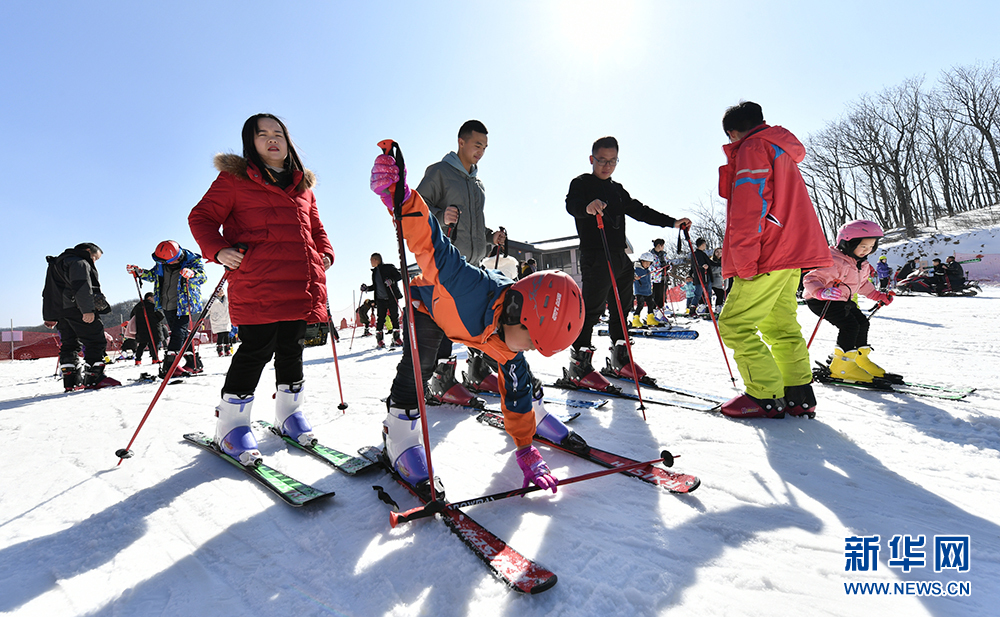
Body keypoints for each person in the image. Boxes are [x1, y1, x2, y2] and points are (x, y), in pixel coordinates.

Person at [370, 152, 584, 500]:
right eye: (531, 340)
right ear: (516, 311)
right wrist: (399, 195)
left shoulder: (511, 341)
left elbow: (513, 394)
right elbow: (430, 240)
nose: (527, 348)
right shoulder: (464, 283)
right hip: (432, 307)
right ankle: (399, 436)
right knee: (418, 367)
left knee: (520, 376)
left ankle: (538, 413)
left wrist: (526, 449)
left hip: (478, 327)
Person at [188, 113, 335, 466]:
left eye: (278, 133)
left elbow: (316, 227)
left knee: (292, 349)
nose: (272, 140)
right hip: (259, 281)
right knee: (256, 349)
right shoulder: (234, 180)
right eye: (262, 135)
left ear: (288, 141)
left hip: (300, 282)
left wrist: (325, 252)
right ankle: (232, 425)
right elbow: (202, 218)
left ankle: (289, 414)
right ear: (250, 143)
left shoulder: (303, 187)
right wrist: (218, 249)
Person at [716, 101, 832, 419]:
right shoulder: (780, 149)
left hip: (767, 253)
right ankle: (798, 393)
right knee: (779, 325)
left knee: (735, 324)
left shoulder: (752, 148)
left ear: (733, 132)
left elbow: (748, 209)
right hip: (790, 254)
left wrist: (745, 260)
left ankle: (763, 394)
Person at [562, 136, 691, 390]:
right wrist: (587, 207)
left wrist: (672, 222)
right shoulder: (581, 183)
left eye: (612, 161)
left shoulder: (617, 189)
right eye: (602, 160)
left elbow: (641, 211)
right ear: (592, 159)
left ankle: (620, 358)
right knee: (592, 309)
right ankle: (579, 365)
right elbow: (571, 205)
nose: (607, 165)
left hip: (620, 257)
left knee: (622, 308)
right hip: (596, 255)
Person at [415, 120, 508, 384]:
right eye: (477, 144)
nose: (481, 151)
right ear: (461, 142)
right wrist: (441, 215)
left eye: (485, 147)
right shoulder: (440, 172)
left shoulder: (477, 183)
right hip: (447, 261)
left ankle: (477, 369)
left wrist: (491, 237)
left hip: (474, 263)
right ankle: (441, 378)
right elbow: (416, 210)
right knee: (447, 321)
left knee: (478, 317)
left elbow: (473, 223)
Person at [803, 220, 897, 383]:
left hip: (842, 299)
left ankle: (859, 359)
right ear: (847, 243)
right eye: (863, 246)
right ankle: (842, 366)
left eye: (871, 247)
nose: (867, 250)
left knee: (862, 323)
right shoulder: (834, 260)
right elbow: (811, 278)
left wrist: (877, 295)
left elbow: (861, 285)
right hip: (822, 300)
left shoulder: (861, 264)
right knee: (850, 325)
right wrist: (821, 291)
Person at [42, 243, 120, 391]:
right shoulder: (79, 262)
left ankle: (70, 381)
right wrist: (88, 310)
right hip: (78, 309)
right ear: (88, 251)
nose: (94, 262)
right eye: (95, 258)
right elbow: (81, 286)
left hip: (61, 313)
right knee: (95, 340)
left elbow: (48, 291)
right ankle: (95, 378)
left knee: (69, 344)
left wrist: (49, 315)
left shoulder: (56, 263)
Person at [127, 240, 207, 377]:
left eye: (167, 262)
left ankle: (170, 365)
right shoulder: (161, 262)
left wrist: (192, 274)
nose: (164, 264)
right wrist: (139, 272)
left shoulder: (192, 261)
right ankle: (193, 363)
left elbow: (203, 277)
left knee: (178, 333)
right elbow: (152, 275)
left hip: (184, 304)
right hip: (166, 304)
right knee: (182, 334)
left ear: (176, 257)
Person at [361, 253, 403, 349]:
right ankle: (380, 340)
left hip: (392, 297)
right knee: (380, 319)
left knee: (394, 317)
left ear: (376, 260)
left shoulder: (389, 267)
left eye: (371, 260)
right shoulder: (374, 272)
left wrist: (391, 280)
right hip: (380, 300)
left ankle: (396, 339)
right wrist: (367, 288)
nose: (370, 262)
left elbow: (399, 276)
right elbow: (376, 286)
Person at [131, 292, 164, 365]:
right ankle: (155, 359)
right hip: (153, 327)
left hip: (141, 328)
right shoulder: (153, 306)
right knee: (154, 343)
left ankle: (138, 360)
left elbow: (132, 316)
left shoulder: (138, 306)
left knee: (142, 344)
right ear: (149, 297)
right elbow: (161, 316)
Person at [632, 253, 658, 327]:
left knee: (651, 304)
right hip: (639, 291)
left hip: (648, 291)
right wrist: (634, 277)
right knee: (640, 304)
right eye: (646, 263)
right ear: (641, 261)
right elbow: (631, 275)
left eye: (649, 263)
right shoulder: (636, 269)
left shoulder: (647, 270)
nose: (647, 265)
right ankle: (635, 319)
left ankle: (650, 318)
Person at [649, 239, 670, 320]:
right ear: (659, 245)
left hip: (663, 277)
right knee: (656, 295)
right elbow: (650, 266)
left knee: (662, 295)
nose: (663, 247)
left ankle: (660, 314)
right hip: (655, 278)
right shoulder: (651, 254)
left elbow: (669, 262)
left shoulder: (664, 254)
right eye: (662, 245)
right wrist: (660, 269)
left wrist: (668, 267)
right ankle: (653, 314)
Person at [690, 237, 713, 310]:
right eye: (705, 244)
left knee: (708, 292)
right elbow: (696, 263)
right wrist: (702, 265)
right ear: (702, 244)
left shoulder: (703, 254)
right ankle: (693, 308)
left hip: (706, 276)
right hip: (700, 276)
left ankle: (708, 307)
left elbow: (710, 262)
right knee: (698, 293)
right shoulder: (695, 254)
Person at [208, 290, 233, 356]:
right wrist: (202, 319)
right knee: (220, 335)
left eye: (222, 291)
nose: (221, 292)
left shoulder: (227, 300)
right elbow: (207, 310)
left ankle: (227, 350)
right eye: (219, 291)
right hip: (217, 321)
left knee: (227, 335)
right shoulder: (212, 301)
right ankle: (220, 350)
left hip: (226, 320)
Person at [709, 247, 727, 312]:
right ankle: (711, 307)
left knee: (721, 294)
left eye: (720, 252)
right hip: (713, 280)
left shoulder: (724, 260)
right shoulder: (712, 261)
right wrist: (721, 269)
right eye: (717, 252)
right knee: (718, 292)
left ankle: (718, 306)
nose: (719, 253)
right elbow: (711, 270)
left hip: (721, 281)